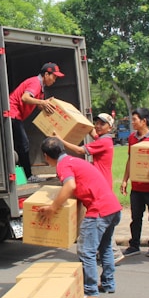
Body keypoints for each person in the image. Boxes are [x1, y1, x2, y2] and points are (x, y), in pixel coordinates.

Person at [38, 137, 122, 298]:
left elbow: (70, 186)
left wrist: (53, 208)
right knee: (104, 247)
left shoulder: (63, 165)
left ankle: (90, 290)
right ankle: (108, 283)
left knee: (86, 250)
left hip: (99, 210)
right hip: (112, 207)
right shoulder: (74, 160)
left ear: (46, 156)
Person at [55, 113, 125, 266]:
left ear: (110, 127)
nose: (98, 126)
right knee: (103, 221)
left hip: (101, 183)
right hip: (102, 182)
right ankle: (108, 253)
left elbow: (80, 151)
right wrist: (80, 120)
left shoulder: (104, 142)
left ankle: (113, 253)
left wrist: (60, 140)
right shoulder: (102, 139)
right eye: (97, 122)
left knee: (100, 220)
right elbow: (93, 132)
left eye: (102, 124)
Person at [9, 63, 63, 183]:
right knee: (23, 145)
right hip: (12, 114)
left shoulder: (41, 88)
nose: (55, 80)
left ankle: (21, 177)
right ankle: (28, 176)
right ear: (46, 74)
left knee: (19, 146)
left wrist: (43, 104)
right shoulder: (35, 83)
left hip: (15, 116)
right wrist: (42, 103)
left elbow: (36, 104)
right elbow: (25, 98)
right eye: (54, 76)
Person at [120, 108, 149, 257]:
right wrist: (125, 180)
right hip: (137, 187)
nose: (132, 123)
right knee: (136, 217)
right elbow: (130, 160)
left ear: (144, 121)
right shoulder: (132, 139)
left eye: (134, 120)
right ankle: (134, 245)